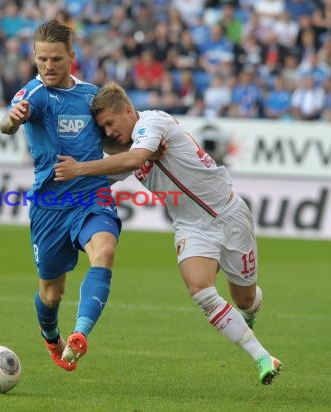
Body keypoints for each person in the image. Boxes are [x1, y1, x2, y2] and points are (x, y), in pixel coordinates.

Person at [53, 82, 283, 385]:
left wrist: (80, 168)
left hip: (229, 214)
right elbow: (110, 172)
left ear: (127, 109)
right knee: (200, 289)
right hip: (191, 226)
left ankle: (250, 310)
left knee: (245, 298)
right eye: (103, 127)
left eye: (110, 123)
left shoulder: (153, 123)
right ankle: (262, 356)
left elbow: (133, 160)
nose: (108, 132)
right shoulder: (133, 149)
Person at [0, 20, 121, 371]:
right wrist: (13, 119)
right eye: (41, 60)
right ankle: (51, 335)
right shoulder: (33, 95)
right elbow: (6, 126)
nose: (48, 67)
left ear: (71, 56)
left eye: (55, 59)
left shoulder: (90, 97)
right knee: (52, 293)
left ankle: (80, 334)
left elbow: (109, 139)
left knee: (105, 250)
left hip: (90, 196)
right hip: (49, 206)